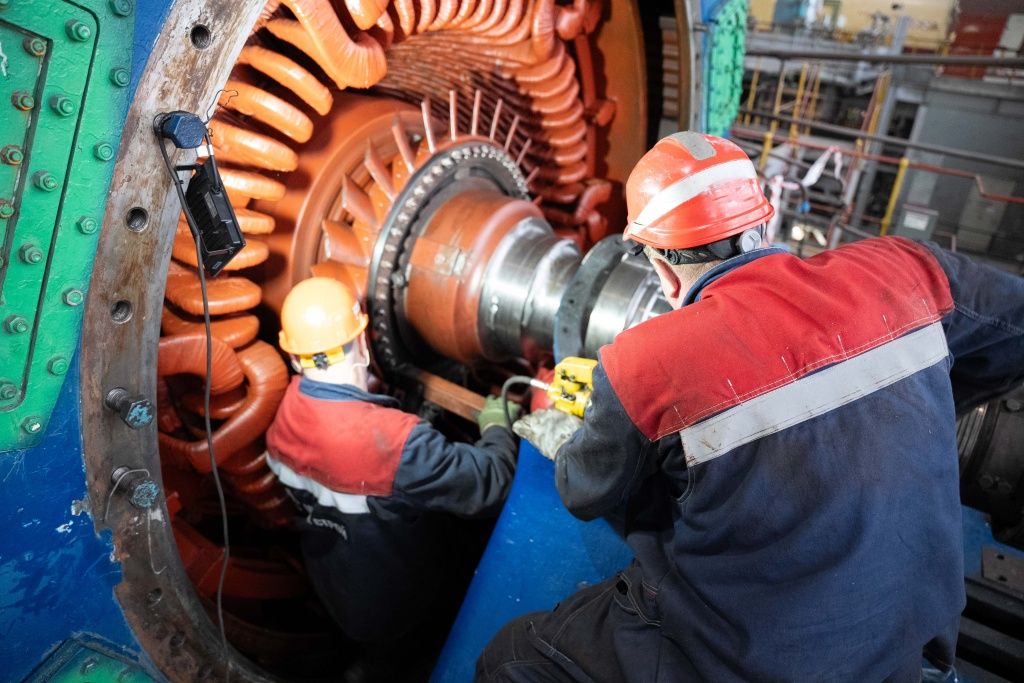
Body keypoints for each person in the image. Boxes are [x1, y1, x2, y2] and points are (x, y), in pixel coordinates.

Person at [478, 131, 1024, 682]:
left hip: (761, 665)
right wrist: (918, 399)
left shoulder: (643, 366)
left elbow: (583, 492)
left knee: (510, 658)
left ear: (661, 268)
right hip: (916, 649)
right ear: (764, 223)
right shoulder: (905, 268)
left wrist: (570, 437)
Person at [264, 277, 519, 679]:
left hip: (338, 591)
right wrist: (497, 427)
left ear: (295, 357)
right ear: (362, 343)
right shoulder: (398, 444)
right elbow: (492, 485)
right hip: (402, 603)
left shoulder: (282, 420)